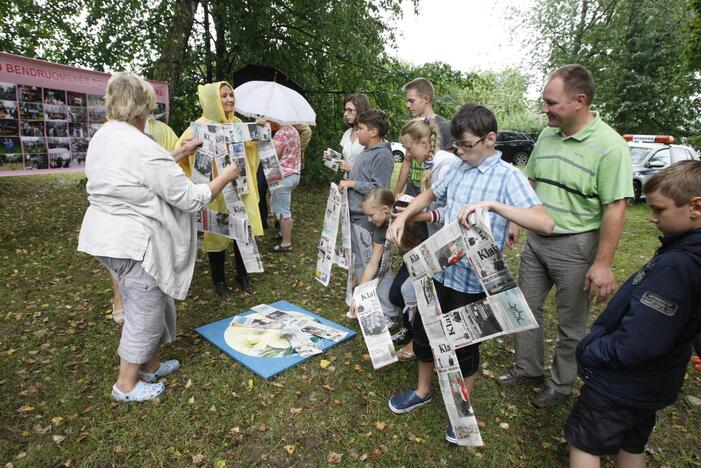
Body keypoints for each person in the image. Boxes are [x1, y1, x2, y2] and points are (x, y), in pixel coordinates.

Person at [386, 103, 554, 444]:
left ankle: (460, 409)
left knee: (463, 346)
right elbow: (432, 194)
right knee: (424, 334)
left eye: (466, 145)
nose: (460, 152)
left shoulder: (508, 176)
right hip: (437, 272)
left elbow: (545, 222)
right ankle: (422, 391)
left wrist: (493, 206)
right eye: (457, 146)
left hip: (472, 282)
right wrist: (404, 216)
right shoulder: (458, 167)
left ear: (489, 139)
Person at [77, 72, 241, 401]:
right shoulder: (139, 145)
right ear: (142, 108)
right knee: (146, 311)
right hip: (132, 242)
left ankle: (150, 366)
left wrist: (179, 153)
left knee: (152, 299)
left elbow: (138, 172)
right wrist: (226, 175)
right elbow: (191, 198)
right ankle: (126, 384)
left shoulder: (107, 135)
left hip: (106, 235)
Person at [498, 64, 634, 409]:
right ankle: (527, 368)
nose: (544, 109)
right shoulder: (547, 134)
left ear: (579, 101)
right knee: (523, 307)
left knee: (571, 322)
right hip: (536, 239)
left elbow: (615, 208)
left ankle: (561, 385)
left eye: (551, 102)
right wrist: (518, 220)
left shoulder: (610, 146)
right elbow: (531, 181)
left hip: (576, 245)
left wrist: (602, 263)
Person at [565, 160, 701, 467]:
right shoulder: (687, 253)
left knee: (585, 443)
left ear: (695, 207)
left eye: (660, 210)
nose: (652, 218)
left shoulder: (677, 267)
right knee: (632, 443)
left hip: (621, 384)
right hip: (656, 383)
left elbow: (639, 342)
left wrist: (594, 350)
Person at [177, 81, 264, 296]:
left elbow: (252, 152)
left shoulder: (238, 123)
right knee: (216, 233)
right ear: (213, 99)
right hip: (214, 188)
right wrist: (186, 149)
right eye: (224, 95)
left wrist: (258, 132)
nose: (229, 99)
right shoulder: (198, 126)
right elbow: (182, 157)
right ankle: (219, 280)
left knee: (242, 230)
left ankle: (243, 275)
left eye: (231, 95)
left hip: (239, 188)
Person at [390, 116, 460, 359]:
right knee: (414, 290)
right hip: (435, 241)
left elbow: (450, 211)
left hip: (448, 245)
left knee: (421, 292)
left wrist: (417, 217)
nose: (408, 154)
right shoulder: (431, 163)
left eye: (409, 148)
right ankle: (419, 341)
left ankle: (422, 345)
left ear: (423, 142)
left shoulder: (445, 164)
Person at [109, 117, 180, 324]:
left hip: (149, 214)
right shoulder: (113, 133)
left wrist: (181, 152)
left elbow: (160, 166)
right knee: (128, 266)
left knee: (148, 276)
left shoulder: (158, 130)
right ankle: (121, 301)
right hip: (125, 215)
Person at [338, 109, 394, 290]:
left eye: (360, 128)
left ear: (373, 132)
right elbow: (363, 175)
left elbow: (379, 189)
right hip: (355, 214)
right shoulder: (366, 150)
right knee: (360, 259)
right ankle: (360, 297)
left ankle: (377, 303)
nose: (357, 132)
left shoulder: (382, 155)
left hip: (366, 218)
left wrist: (353, 183)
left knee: (369, 261)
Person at [348, 188, 401, 327]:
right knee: (397, 293)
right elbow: (373, 263)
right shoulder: (380, 229)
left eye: (371, 215)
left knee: (403, 292)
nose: (369, 220)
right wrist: (358, 296)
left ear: (385, 209)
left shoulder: (404, 215)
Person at [394, 78, 455, 197]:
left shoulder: (445, 127)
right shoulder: (413, 126)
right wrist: (396, 194)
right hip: (411, 196)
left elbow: (446, 170)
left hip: (431, 199)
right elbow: (407, 161)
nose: (408, 105)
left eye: (412, 101)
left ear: (425, 99)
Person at [270, 121, 301, 252]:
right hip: (294, 174)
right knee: (282, 206)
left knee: (284, 211)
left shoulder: (281, 133)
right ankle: (283, 233)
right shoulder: (293, 130)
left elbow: (274, 156)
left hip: (284, 176)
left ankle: (286, 243)